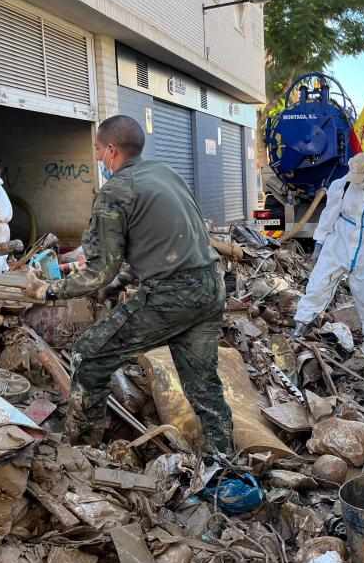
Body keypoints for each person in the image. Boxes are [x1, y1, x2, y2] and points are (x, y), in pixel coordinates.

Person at [24, 115, 234, 453]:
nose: (95, 157)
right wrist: (124, 277)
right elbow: (164, 243)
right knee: (202, 385)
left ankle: (83, 452)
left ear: (111, 150)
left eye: (96, 149)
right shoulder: (166, 174)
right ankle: (227, 460)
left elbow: (98, 271)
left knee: (88, 356)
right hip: (210, 287)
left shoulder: (116, 191)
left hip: (172, 295)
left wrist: (49, 290)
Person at [292, 153, 364, 355]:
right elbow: (329, 215)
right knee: (319, 283)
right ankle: (301, 323)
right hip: (339, 241)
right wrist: (319, 242)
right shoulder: (342, 185)